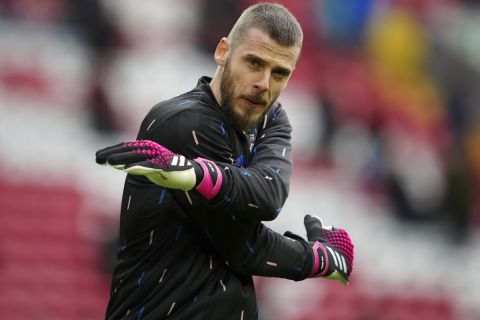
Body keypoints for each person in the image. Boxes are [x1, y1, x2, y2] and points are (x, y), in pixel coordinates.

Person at [95, 3, 354, 319]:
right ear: (222, 52)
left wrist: (196, 174)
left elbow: (269, 194)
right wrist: (320, 259)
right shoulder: (185, 123)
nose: (264, 84)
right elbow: (244, 249)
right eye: (254, 63)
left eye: (280, 73)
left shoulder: (270, 116)